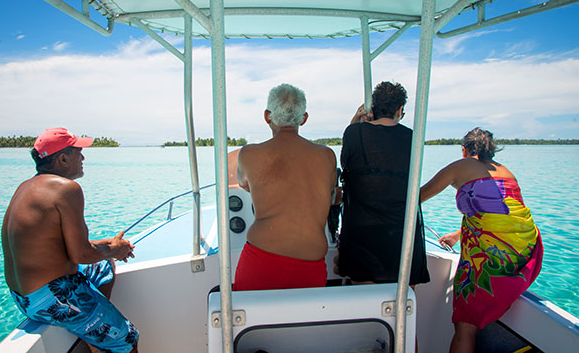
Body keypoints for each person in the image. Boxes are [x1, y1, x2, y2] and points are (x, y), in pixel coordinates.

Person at [2, 127, 139, 353]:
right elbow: (80, 255)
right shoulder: (67, 189)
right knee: (126, 338)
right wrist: (115, 250)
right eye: (78, 152)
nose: (83, 157)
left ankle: (94, 332)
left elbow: (60, 245)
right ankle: (103, 334)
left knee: (102, 266)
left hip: (24, 299)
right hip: (53, 298)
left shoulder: (26, 187)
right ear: (63, 158)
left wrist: (111, 248)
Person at [420, 128, 543, 353]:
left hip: (491, 257)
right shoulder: (507, 173)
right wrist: (458, 235)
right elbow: (498, 216)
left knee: (465, 326)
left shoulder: (461, 165)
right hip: (522, 255)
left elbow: (418, 197)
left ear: (465, 149)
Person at [233, 84, 337, 291]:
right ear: (304, 118)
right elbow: (330, 193)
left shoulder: (249, 154)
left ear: (267, 116)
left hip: (260, 260)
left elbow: (245, 184)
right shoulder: (326, 156)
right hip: (311, 266)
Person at [337, 81, 430, 287]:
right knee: (405, 302)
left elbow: (346, 166)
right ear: (399, 110)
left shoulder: (355, 133)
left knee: (365, 304)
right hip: (402, 231)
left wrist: (356, 121)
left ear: (373, 108)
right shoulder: (412, 137)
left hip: (362, 231)